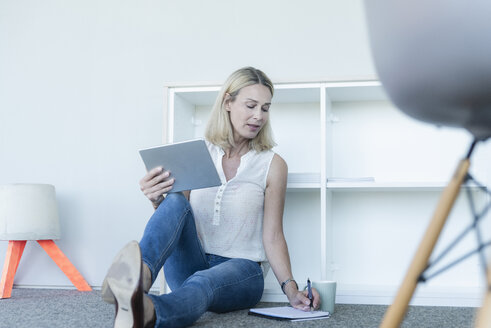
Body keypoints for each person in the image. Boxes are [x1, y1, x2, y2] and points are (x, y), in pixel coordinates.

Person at [102, 66, 321, 328]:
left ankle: (147, 311)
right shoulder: (197, 152)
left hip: (242, 272)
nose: (258, 116)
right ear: (228, 102)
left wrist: (292, 290)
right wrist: (155, 199)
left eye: (265, 108)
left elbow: (273, 236)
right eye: (251, 105)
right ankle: (138, 278)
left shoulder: (272, 164)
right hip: (192, 262)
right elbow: (174, 220)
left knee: (202, 282)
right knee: (173, 200)